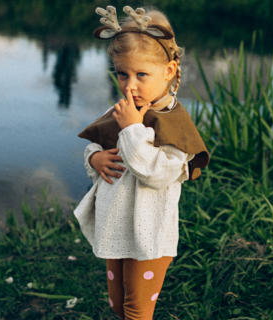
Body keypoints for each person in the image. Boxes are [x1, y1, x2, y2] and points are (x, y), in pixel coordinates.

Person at [74, 5, 209, 320]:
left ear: (170, 71)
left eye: (141, 74)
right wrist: (95, 158)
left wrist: (133, 130)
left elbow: (159, 173)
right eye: (122, 73)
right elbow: (98, 142)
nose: (129, 85)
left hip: (149, 236)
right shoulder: (126, 109)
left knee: (137, 311)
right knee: (118, 306)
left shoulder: (172, 121)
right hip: (117, 227)